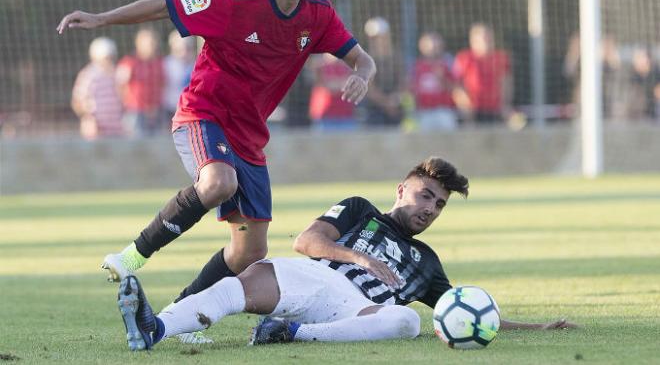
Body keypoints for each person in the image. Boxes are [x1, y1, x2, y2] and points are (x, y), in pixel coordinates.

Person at [57, 0, 376, 318]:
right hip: (203, 115)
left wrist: (362, 74)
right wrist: (102, 19)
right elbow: (164, 7)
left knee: (249, 251)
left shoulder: (318, 14)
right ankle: (132, 256)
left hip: (250, 136)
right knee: (218, 182)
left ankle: (176, 315)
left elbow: (360, 58)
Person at [115, 156, 576, 351]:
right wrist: (361, 258)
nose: (429, 209)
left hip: (356, 309)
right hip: (316, 278)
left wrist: (538, 326)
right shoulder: (360, 210)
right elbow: (305, 242)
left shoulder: (427, 262)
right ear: (402, 188)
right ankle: (155, 329)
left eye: (438, 204)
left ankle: (291, 335)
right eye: (424, 195)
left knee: (408, 321)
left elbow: (461, 313)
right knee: (236, 288)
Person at [453, 23, 512, 124]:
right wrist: (464, 106)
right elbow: (456, 86)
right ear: (473, 41)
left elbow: (506, 83)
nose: (487, 41)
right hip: (472, 111)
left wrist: (505, 105)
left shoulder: (501, 58)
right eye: (483, 38)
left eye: (489, 37)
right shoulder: (464, 58)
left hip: (495, 109)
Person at [71, 37, 124, 139]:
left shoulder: (117, 74)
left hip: (116, 129)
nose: (109, 60)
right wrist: (88, 119)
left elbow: (123, 98)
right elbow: (77, 101)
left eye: (111, 57)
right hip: (95, 130)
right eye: (106, 57)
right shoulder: (88, 75)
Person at [116, 27, 165, 136]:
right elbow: (119, 85)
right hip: (135, 111)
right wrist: (125, 106)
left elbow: (162, 84)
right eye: (148, 43)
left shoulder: (159, 62)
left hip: (156, 111)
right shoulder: (128, 62)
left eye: (153, 43)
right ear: (138, 44)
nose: (152, 46)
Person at [410, 32, 458, 131]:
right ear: (422, 47)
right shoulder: (417, 66)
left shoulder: (447, 64)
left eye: (436, 45)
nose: (433, 48)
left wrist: (441, 78)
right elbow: (411, 90)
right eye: (429, 45)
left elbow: (454, 88)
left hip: (444, 111)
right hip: (423, 112)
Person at [361, 17, 405, 127]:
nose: (378, 40)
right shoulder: (365, 58)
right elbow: (369, 88)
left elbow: (403, 82)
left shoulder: (396, 57)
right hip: (373, 111)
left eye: (381, 36)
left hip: (396, 108)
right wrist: (387, 103)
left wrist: (395, 99)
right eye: (374, 37)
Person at [308, 53, 358, 131]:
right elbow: (328, 86)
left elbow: (350, 85)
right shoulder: (319, 66)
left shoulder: (349, 65)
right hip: (325, 118)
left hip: (346, 117)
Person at [162, 30, 196, 125]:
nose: (184, 52)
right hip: (171, 107)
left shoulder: (196, 64)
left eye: (187, 48)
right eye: (180, 48)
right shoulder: (167, 64)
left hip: (190, 110)